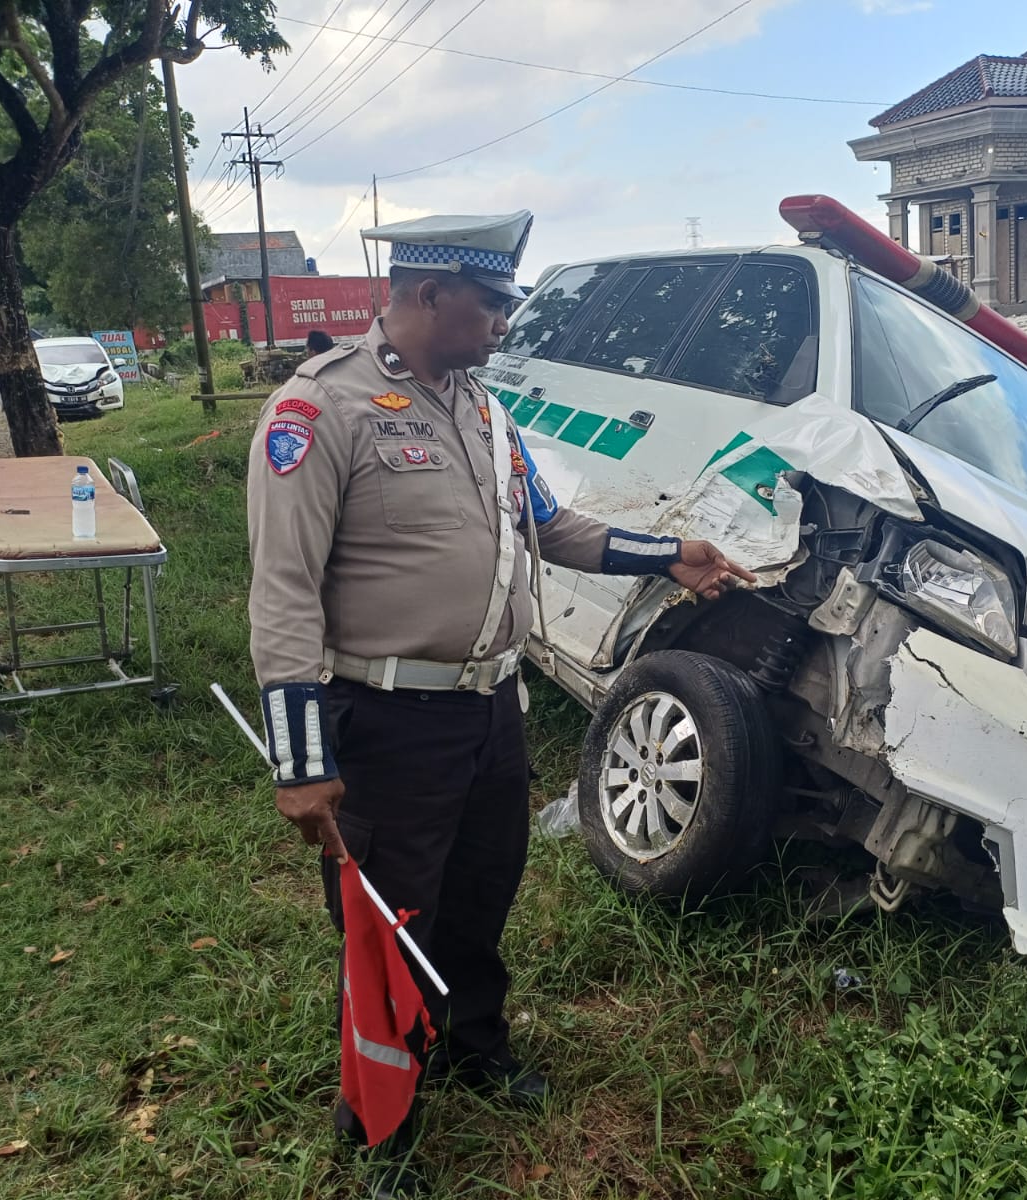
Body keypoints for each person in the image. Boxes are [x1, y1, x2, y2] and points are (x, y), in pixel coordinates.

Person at [246, 212, 752, 1196]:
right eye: (493, 304)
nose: (504, 324)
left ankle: (472, 1045)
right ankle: (380, 1123)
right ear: (431, 295)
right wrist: (302, 762)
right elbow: (283, 591)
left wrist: (671, 555)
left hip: (489, 711)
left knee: (482, 892)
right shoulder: (322, 411)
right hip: (389, 722)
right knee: (391, 922)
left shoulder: (482, 409)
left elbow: (552, 528)